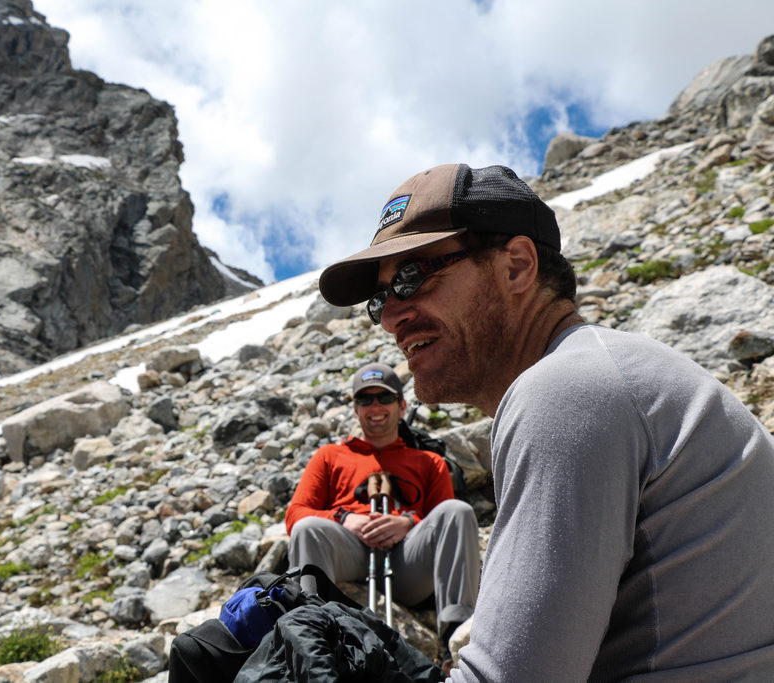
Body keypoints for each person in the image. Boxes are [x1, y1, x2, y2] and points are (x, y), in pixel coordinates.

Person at [316, 162, 774, 681]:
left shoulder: (566, 393)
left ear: (516, 265)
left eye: (413, 275)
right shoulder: (608, 369)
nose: (393, 316)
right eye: (380, 299)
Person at [285, 362, 480, 653]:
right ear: (355, 409)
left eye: (384, 398)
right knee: (306, 528)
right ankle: (315, 642)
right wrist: (344, 517)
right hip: (349, 554)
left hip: (406, 562)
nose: (375, 406)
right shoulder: (329, 456)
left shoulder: (429, 462)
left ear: (401, 406)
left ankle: (458, 637)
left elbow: (446, 525)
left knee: (457, 511)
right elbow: (296, 513)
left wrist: (409, 523)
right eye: (365, 399)